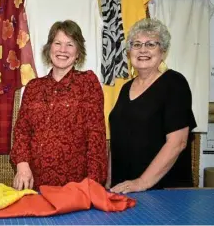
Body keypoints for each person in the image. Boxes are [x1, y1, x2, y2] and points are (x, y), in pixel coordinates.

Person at [10, 20, 107, 190]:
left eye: (70, 44)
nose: (63, 50)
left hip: (75, 187)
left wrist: (93, 185)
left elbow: (96, 137)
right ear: (49, 49)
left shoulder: (87, 83)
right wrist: (22, 164)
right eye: (58, 43)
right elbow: (22, 132)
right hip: (34, 184)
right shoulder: (33, 87)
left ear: (78, 53)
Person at [108, 18, 196, 193]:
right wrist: (109, 180)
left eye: (150, 44)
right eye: (136, 44)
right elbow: (117, 140)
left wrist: (141, 182)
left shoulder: (174, 83)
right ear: (129, 51)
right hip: (124, 188)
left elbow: (178, 142)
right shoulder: (126, 88)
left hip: (162, 192)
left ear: (163, 51)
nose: (142, 50)